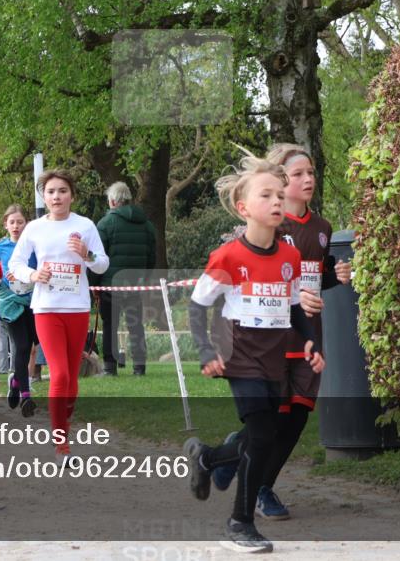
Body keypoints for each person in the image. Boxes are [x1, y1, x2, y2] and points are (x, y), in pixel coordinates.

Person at [182, 153, 323, 553]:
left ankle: (208, 458)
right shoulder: (228, 257)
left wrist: (310, 341)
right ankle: (240, 522)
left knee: (264, 434)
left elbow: (295, 307)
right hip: (240, 356)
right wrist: (207, 350)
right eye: (267, 195)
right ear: (244, 208)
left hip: (275, 358)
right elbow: (197, 306)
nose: (278, 202)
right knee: (262, 436)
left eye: (281, 194)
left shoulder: (289, 258)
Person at [210, 143, 351, 520]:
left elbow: (313, 279)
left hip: (307, 334)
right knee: (270, 420)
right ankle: (243, 474)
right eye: (298, 175)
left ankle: (251, 476)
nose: (308, 180)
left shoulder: (322, 228)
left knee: (296, 419)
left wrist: (333, 278)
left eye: (311, 173)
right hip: (270, 335)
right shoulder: (268, 225)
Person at [9, 170, 109, 463]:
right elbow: (15, 264)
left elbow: (102, 264)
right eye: (51, 191)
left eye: (62, 191)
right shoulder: (35, 229)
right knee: (61, 374)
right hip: (47, 308)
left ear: (71, 195)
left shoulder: (85, 226)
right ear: (44, 196)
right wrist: (33, 274)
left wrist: (86, 254)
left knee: (73, 381)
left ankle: (61, 421)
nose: (56, 196)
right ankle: (62, 446)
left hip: (77, 307)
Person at [94, 182, 157, 376]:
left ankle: (110, 368)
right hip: (135, 284)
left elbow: (97, 257)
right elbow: (151, 256)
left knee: (110, 326)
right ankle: (139, 368)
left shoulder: (105, 224)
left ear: (112, 201)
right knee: (135, 325)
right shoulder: (146, 224)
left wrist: (94, 285)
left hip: (109, 285)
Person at [0, 204, 38, 415]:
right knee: (22, 346)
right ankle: (26, 396)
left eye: (20, 222)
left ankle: (16, 380)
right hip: (10, 302)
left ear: (26, 223)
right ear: (5, 224)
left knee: (34, 343)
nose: (16, 226)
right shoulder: (1, 246)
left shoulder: (34, 245)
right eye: (12, 222)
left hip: (34, 300)